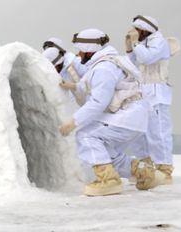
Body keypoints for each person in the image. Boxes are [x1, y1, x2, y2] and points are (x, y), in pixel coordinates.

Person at [59, 29, 155, 195]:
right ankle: (142, 171)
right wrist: (73, 86)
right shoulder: (112, 61)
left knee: (85, 135)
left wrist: (73, 122)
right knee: (105, 151)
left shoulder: (104, 68)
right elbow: (93, 85)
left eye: (81, 50)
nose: (79, 55)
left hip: (126, 116)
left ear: (89, 49)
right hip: (134, 117)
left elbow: (98, 102)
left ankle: (108, 181)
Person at [126, 15, 174, 184]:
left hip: (157, 92)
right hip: (142, 92)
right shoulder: (142, 44)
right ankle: (146, 167)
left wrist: (136, 44)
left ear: (145, 30)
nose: (135, 33)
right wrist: (130, 49)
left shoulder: (160, 42)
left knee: (158, 132)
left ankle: (164, 169)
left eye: (137, 30)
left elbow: (147, 58)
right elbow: (132, 63)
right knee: (140, 131)